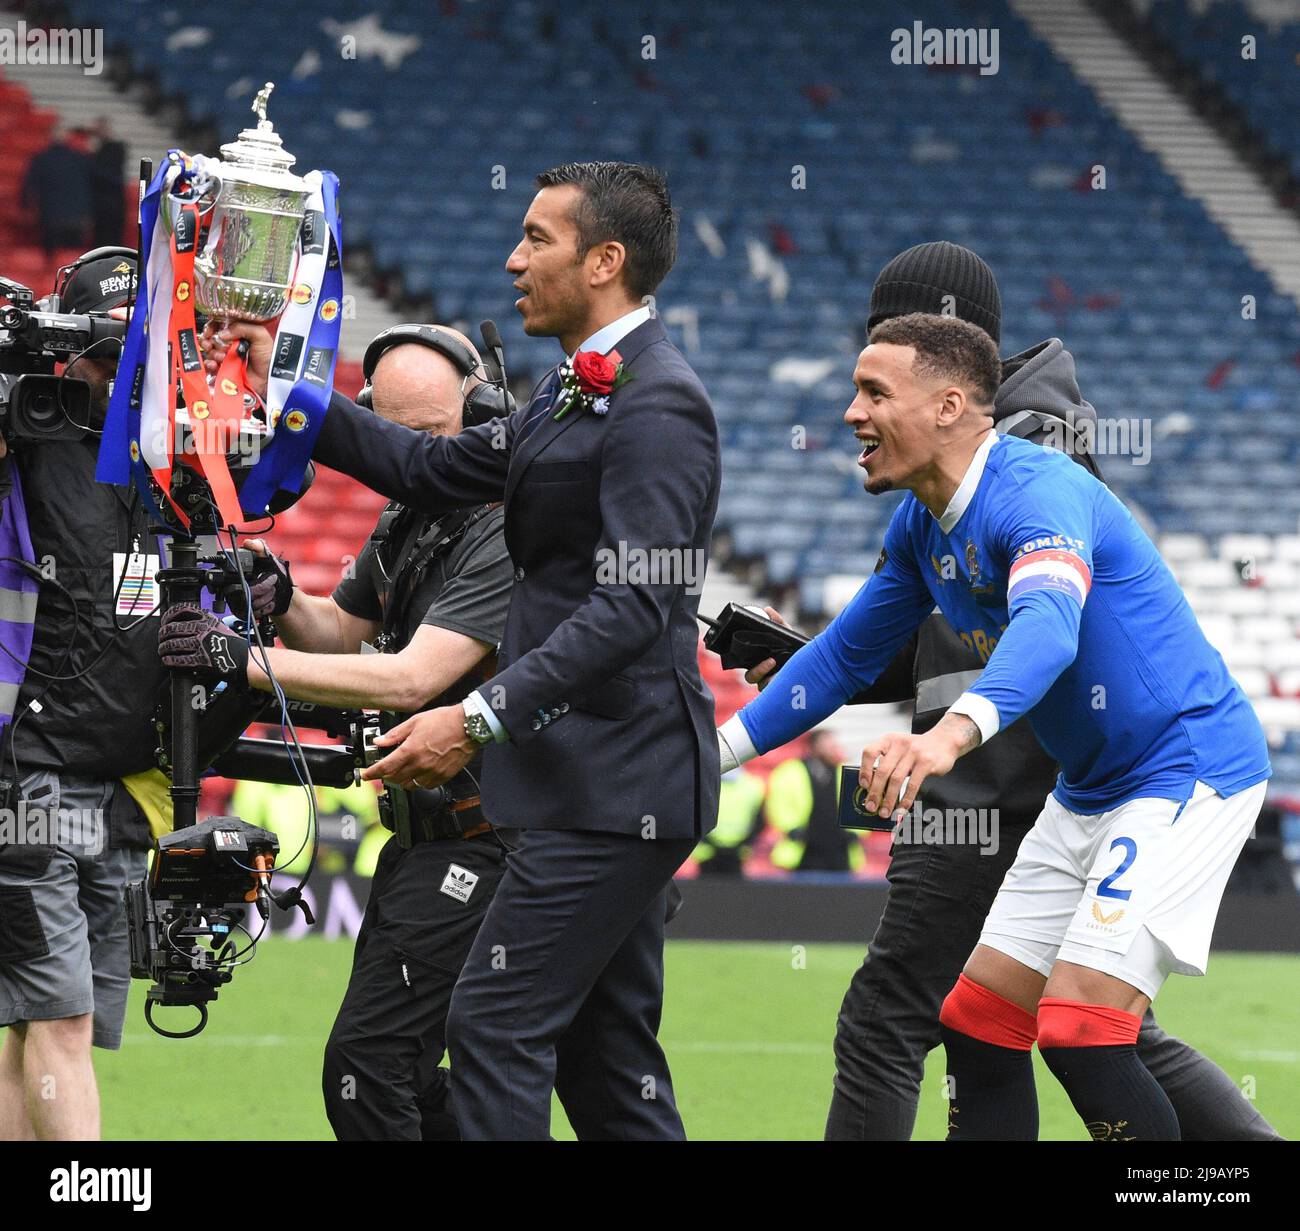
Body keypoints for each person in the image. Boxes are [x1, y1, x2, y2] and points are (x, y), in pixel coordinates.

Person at [204, 160, 720, 1140]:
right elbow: (429, 465)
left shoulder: (659, 405)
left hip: (616, 785)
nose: (512, 260)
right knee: (606, 1068)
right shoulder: (571, 391)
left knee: (492, 1027)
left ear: (604, 261)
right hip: (589, 782)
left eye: (537, 238)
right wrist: (282, 381)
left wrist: (478, 716)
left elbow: (632, 610)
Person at [742, 242, 1280, 1141]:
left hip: (1064, 776)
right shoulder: (943, 497)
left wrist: (943, 741)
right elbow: (873, 649)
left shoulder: (1022, 470)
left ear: (947, 376)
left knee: (990, 1021)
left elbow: (1040, 630)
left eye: (880, 371)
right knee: (998, 1017)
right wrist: (734, 737)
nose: (855, 406)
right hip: (1069, 779)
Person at [160, 326, 515, 1140]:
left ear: (482, 415)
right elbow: (343, 633)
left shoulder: (504, 526)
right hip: (420, 838)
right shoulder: (409, 516)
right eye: (398, 438)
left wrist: (245, 660)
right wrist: (280, 596)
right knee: (412, 1076)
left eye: (432, 437)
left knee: (369, 1066)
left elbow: (410, 677)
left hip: (482, 842)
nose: (420, 459)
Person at [0, 249, 164, 1140]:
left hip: (121, 782)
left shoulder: (169, 451)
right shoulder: (27, 425)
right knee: (58, 1020)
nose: (118, 367)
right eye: (106, 345)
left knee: (43, 1021)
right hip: (28, 775)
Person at [765, 730, 863, 873]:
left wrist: (854, 834)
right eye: (827, 744)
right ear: (812, 746)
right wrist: (792, 830)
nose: (832, 748)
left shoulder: (845, 772)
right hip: (803, 849)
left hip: (840, 851)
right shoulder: (789, 771)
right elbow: (778, 805)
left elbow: (858, 807)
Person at [21, 126, 94, 255]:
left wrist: (26, 206)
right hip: (76, 216)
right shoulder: (81, 158)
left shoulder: (41, 158)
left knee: (52, 256)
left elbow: (29, 185)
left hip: (51, 216)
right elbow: (93, 186)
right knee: (73, 256)